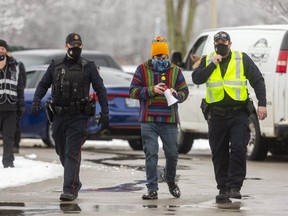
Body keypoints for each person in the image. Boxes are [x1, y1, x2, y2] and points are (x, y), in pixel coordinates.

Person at [31, 33, 109, 201]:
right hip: (59, 115)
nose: (75, 48)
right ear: (66, 46)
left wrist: (105, 112)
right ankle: (75, 181)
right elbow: (43, 84)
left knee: (72, 153)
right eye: (72, 45)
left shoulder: (88, 66)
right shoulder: (55, 65)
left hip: (79, 116)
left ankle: (70, 189)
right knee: (61, 151)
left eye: (78, 46)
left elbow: (100, 89)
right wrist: (36, 100)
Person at [192, 31, 267, 203]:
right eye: (218, 42)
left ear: (230, 44)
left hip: (238, 113)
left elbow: (258, 80)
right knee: (219, 153)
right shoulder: (207, 59)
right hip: (216, 115)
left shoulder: (242, 58)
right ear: (214, 45)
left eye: (223, 42)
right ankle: (223, 188)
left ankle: (234, 187)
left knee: (239, 149)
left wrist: (262, 104)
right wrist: (212, 65)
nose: (221, 44)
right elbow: (197, 79)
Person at [129, 36, 189, 200]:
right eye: (158, 58)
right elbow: (133, 91)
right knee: (151, 154)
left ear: (167, 57)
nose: (161, 61)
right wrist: (151, 90)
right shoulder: (142, 70)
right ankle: (152, 188)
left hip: (169, 121)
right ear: (152, 56)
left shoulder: (176, 71)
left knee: (172, 154)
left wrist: (178, 95)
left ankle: (170, 179)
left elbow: (185, 91)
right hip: (148, 120)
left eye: (164, 58)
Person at [0, 39, 26, 168]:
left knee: (9, 136)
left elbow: (20, 86)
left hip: (11, 107)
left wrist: (21, 105)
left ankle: (8, 162)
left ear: (6, 50)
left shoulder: (16, 65)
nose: (1, 50)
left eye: (3, 48)